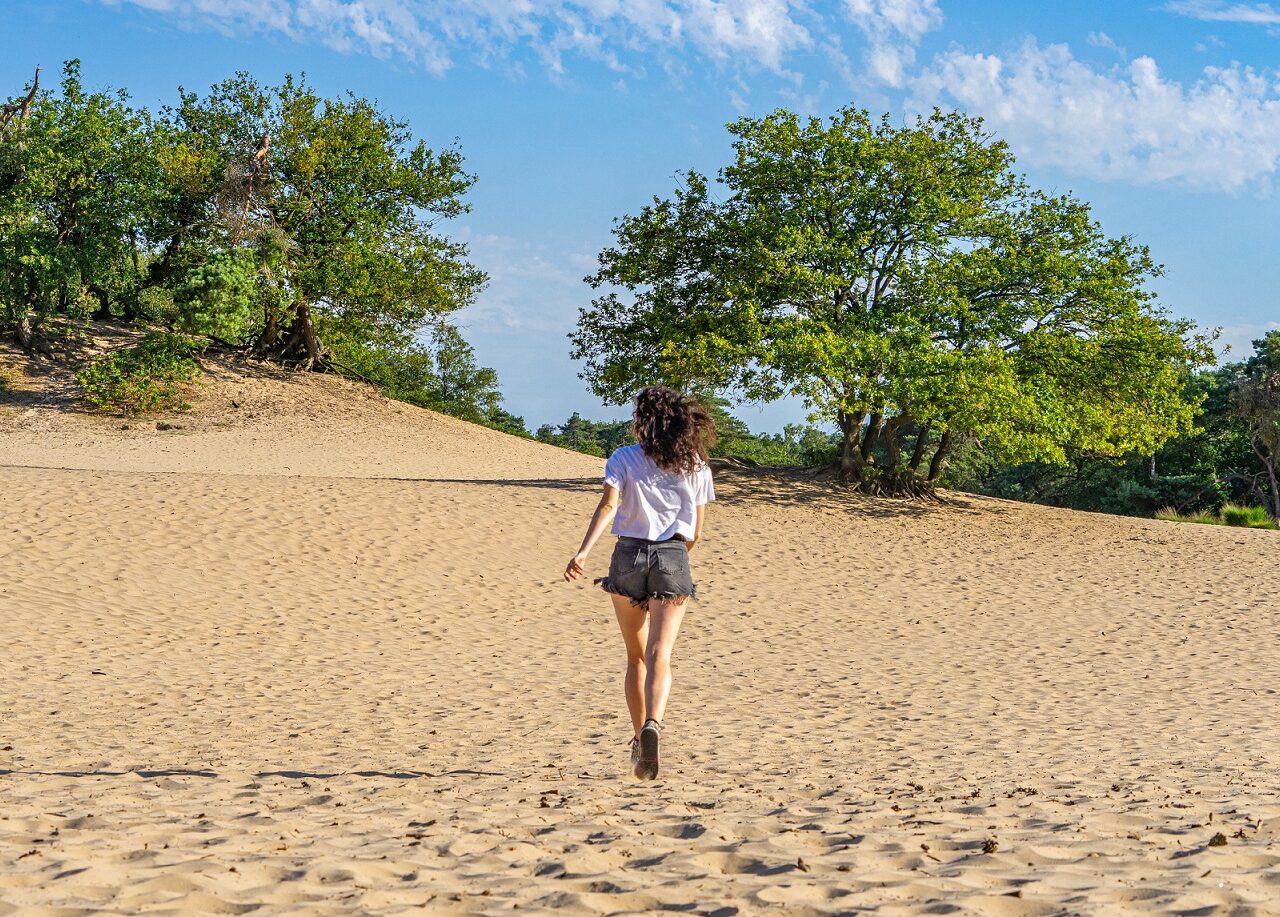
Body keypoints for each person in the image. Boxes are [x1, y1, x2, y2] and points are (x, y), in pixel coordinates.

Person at [563, 386, 716, 780]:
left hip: (628, 554)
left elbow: (608, 506)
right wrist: (676, 560)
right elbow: (696, 531)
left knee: (635, 655)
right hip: (672, 553)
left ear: (643, 422)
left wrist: (582, 553)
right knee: (660, 653)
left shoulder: (623, 458)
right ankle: (654, 725)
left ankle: (637, 738)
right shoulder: (696, 465)